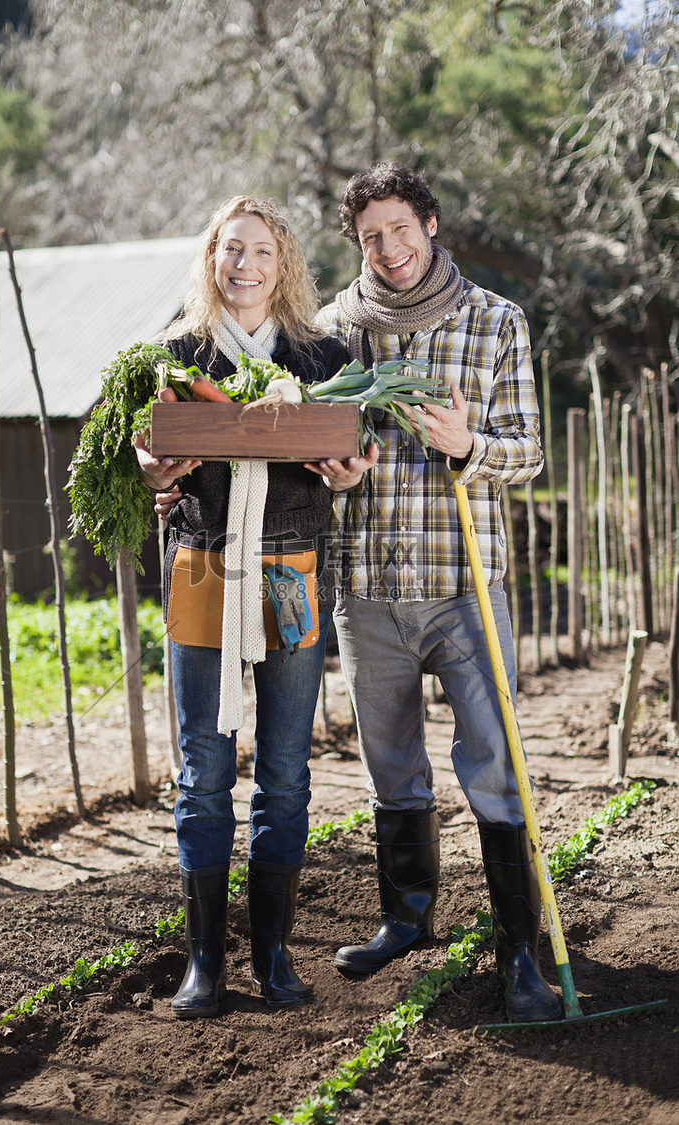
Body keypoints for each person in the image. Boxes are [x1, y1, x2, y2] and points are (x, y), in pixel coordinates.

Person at [304, 162, 562, 1024]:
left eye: (400, 229)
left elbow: (528, 451)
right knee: (391, 766)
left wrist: (465, 444)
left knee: (495, 764)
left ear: (432, 223)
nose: (390, 249)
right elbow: (317, 444)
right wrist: (335, 475)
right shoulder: (337, 329)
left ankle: (519, 949)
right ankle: (405, 917)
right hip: (369, 588)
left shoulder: (495, 321)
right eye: (371, 236)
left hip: (464, 585)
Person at [135, 196, 348, 1019]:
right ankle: (204, 962)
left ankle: (273, 953)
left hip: (291, 567)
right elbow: (148, 462)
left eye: (260, 249)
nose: (245, 264)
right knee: (204, 772)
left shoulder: (321, 356)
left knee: (287, 772)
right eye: (230, 250)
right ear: (212, 260)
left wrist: (346, 473)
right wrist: (154, 476)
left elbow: (343, 453)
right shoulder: (175, 355)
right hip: (201, 567)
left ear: (284, 261)